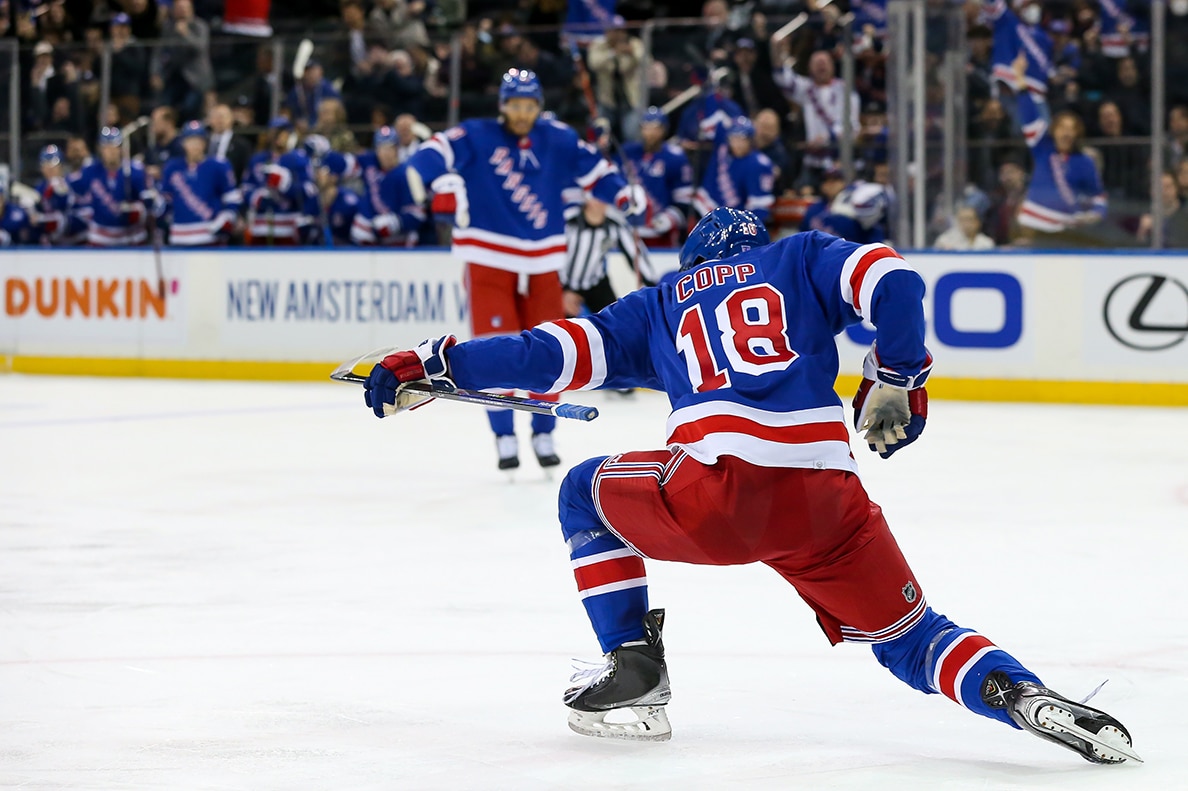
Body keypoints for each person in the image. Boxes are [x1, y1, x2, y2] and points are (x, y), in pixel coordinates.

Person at [356, 207, 1141, 764]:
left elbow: (547, 353)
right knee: (911, 637)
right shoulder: (799, 257)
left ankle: (633, 667)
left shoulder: (663, 303)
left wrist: (438, 362)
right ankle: (1017, 691)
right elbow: (894, 280)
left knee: (583, 491)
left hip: (718, 494)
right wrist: (899, 375)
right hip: (828, 503)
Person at [404, 67, 643, 471]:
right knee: (493, 346)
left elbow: (597, 172)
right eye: (515, 105)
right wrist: (436, 181)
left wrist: (623, 194)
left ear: (539, 106)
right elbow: (431, 153)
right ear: (503, 105)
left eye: (529, 105)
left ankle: (544, 431)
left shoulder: (558, 137)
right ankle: (503, 436)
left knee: (551, 348)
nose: (522, 113)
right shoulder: (477, 134)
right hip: (489, 259)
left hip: (544, 263)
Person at [1009, 54, 1107, 246]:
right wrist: (1020, 79)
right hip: (1032, 225)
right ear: (1054, 130)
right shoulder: (1042, 146)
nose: (1067, 132)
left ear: (1078, 134)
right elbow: (1029, 113)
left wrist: (1097, 213)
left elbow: (1098, 196)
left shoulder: (1085, 162)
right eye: (1062, 127)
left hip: (1065, 232)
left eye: (1072, 129)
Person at [561, 196, 654, 318]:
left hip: (595, 282)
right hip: (562, 283)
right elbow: (550, 256)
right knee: (554, 324)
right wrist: (561, 292)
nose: (599, 201)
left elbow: (636, 255)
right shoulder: (567, 220)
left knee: (616, 320)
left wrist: (654, 290)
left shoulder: (614, 224)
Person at [619, 106, 693, 249]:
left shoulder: (675, 157)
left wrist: (669, 218)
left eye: (655, 128)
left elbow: (685, 200)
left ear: (664, 130)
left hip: (661, 233)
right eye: (646, 128)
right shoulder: (627, 153)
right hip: (628, 230)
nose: (650, 133)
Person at [159, 121, 242, 246]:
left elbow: (232, 198)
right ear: (183, 143)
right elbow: (165, 200)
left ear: (205, 143)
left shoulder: (218, 166)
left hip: (210, 237)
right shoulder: (172, 168)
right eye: (191, 141)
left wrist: (226, 218)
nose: (195, 145)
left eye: (199, 141)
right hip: (179, 236)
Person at [71, 126, 155, 247]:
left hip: (131, 237)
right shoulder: (90, 170)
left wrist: (137, 208)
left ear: (121, 148)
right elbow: (73, 192)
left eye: (114, 146)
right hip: (101, 237)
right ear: (100, 149)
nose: (111, 151)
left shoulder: (135, 171)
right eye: (106, 146)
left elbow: (149, 204)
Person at [692, 115, 775, 225]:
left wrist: (742, 226)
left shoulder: (759, 164)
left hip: (739, 223)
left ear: (750, 140)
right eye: (734, 138)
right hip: (710, 211)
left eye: (742, 139)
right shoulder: (723, 151)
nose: (737, 144)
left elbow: (760, 207)